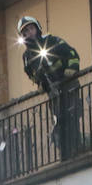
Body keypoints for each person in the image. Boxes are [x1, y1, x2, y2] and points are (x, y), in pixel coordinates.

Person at [17, 15, 82, 158]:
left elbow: (72, 54)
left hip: (68, 85)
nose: (29, 33)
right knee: (59, 119)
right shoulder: (27, 57)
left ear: (37, 28)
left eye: (31, 28)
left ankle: (76, 148)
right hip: (53, 92)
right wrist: (40, 84)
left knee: (72, 115)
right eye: (25, 32)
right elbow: (30, 73)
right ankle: (64, 152)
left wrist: (71, 69)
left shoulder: (52, 41)